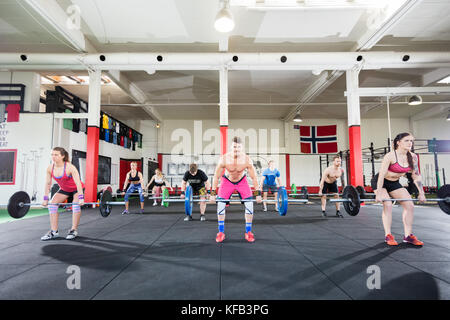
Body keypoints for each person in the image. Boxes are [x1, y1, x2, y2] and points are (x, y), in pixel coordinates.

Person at [372, 132, 426, 246]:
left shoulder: (413, 157)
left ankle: (408, 236)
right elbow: (381, 175)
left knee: (409, 205)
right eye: (407, 140)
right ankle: (388, 235)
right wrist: (378, 194)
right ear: (398, 142)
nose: (410, 143)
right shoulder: (390, 156)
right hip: (380, 181)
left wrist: (421, 193)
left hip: (394, 183)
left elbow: (416, 175)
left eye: (411, 141)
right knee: (387, 204)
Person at [210, 136, 262, 243]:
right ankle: (220, 232)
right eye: (234, 147)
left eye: (238, 147)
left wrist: (258, 194)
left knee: (249, 204)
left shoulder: (247, 160)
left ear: (241, 147)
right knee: (220, 204)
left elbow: (254, 177)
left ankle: (248, 232)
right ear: (231, 147)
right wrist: (212, 193)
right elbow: (216, 176)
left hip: (242, 182)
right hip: (227, 182)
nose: (236, 149)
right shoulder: (224, 159)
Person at [41, 147, 84, 241]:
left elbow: (78, 183)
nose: (53, 157)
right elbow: (48, 183)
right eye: (52, 154)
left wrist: (81, 198)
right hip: (64, 189)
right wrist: (45, 198)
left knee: (75, 205)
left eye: (56, 155)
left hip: (76, 189)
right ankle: (54, 231)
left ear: (63, 156)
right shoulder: (50, 168)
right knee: (52, 204)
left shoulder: (70, 167)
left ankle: (73, 230)